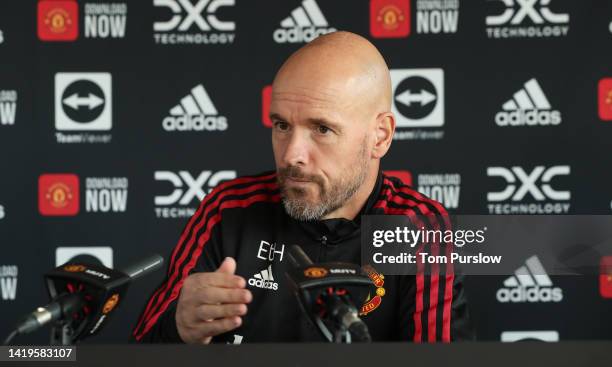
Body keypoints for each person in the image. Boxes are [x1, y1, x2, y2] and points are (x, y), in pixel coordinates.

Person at [131, 31, 472, 343]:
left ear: (379, 137)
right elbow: (137, 352)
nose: (291, 154)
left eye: (322, 129)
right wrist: (177, 328)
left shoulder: (420, 228)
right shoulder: (228, 210)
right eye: (281, 125)